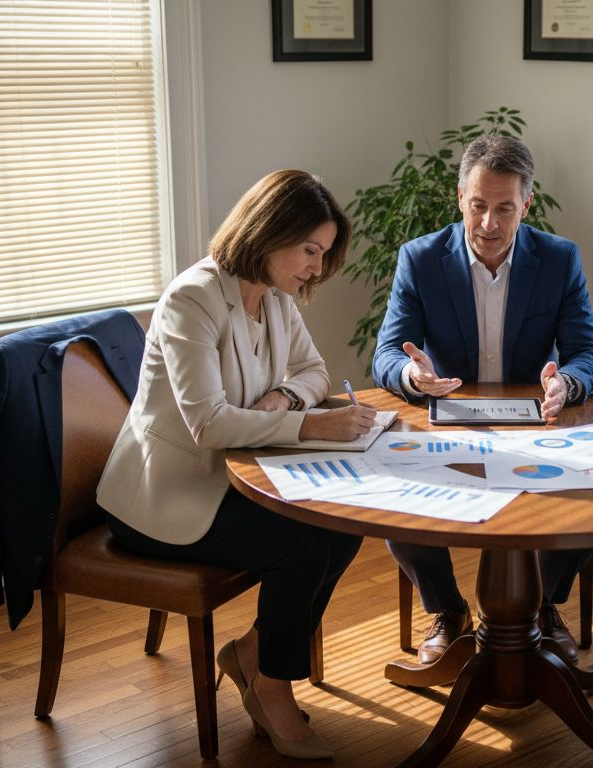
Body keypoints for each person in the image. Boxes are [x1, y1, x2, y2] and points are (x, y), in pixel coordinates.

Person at [96, 170, 375, 760]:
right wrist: (309, 422)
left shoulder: (274, 298)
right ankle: (271, 684)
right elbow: (210, 424)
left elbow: (315, 372)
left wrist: (285, 399)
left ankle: (253, 654)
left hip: (231, 482)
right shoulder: (192, 299)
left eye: (322, 255)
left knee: (343, 527)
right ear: (270, 232)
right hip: (165, 498)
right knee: (302, 544)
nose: (316, 269)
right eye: (309, 251)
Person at [372, 135, 593, 665]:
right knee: (391, 499)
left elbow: (591, 354)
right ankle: (447, 610)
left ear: (526, 204)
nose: (488, 223)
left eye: (504, 208)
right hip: (447, 427)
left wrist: (566, 384)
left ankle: (543, 607)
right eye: (478, 206)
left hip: (533, 428)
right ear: (460, 197)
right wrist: (412, 373)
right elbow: (386, 352)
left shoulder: (559, 259)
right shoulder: (421, 258)